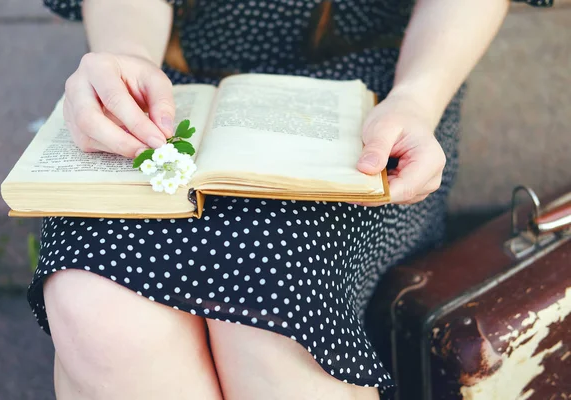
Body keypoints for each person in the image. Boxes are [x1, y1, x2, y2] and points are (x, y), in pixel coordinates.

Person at [29, 0, 552, 399]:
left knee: (270, 320)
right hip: (167, 85)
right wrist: (125, 56)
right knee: (94, 303)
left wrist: (416, 98)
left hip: (374, 95)